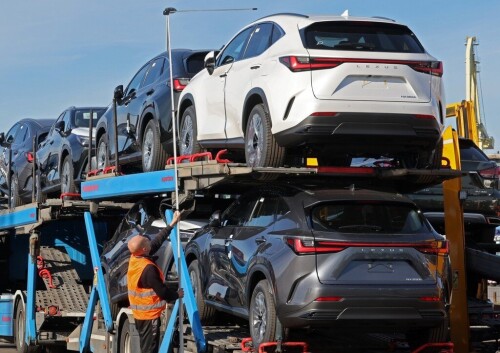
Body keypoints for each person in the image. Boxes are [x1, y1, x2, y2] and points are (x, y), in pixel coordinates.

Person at [127, 210, 185, 353]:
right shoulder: (148, 270)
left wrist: (171, 224)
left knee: (147, 347)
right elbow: (162, 292)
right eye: (146, 240)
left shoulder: (135, 258)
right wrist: (177, 294)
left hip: (141, 315)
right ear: (145, 249)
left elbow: (157, 242)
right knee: (149, 349)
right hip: (149, 316)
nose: (148, 239)